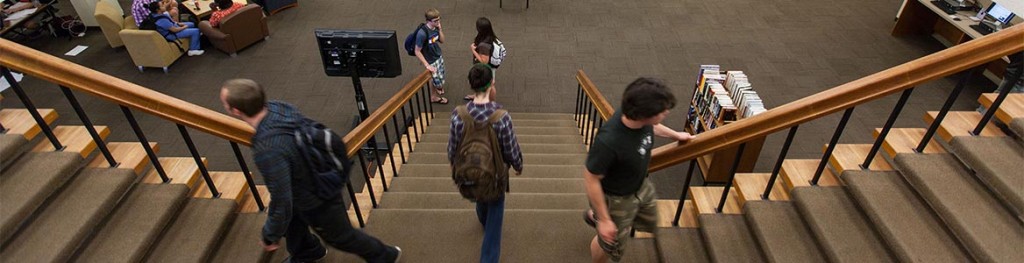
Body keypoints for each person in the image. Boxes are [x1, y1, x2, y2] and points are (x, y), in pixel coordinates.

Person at [219, 79, 402, 263]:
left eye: (225, 103)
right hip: (309, 177)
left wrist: (270, 235)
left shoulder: (268, 149)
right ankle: (308, 252)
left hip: (318, 197)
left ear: (235, 110)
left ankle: (386, 255)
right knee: (293, 222)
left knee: (342, 237)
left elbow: (282, 198)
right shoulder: (278, 108)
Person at [582, 78, 694, 263]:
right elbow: (590, 178)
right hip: (617, 198)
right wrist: (605, 220)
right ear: (644, 115)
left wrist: (676, 135)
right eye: (662, 111)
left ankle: (595, 215)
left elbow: (654, 126)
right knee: (610, 243)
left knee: (650, 220)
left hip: (640, 186)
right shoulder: (609, 142)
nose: (666, 112)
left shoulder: (640, 120)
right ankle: (599, 220)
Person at [447, 64, 523, 263]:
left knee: (480, 194)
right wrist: (517, 165)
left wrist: (454, 167)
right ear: (492, 84)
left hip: (470, 173)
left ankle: (482, 215)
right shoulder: (501, 117)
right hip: (495, 175)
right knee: (495, 218)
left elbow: (452, 148)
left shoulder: (458, 115)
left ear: (471, 86)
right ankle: (488, 258)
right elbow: (510, 149)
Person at [414, 8, 447, 104]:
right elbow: (417, 51)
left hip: (438, 55)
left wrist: (440, 29)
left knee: (440, 76)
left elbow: (442, 40)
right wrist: (427, 65)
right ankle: (433, 97)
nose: (438, 22)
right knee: (433, 78)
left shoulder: (436, 28)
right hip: (430, 60)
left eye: (439, 19)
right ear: (428, 21)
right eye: (435, 21)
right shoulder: (422, 33)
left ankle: (438, 87)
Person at [465, 17, 503, 101]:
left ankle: (491, 103)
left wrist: (473, 51)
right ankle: (477, 95)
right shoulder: (490, 36)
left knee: (491, 85)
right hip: (489, 65)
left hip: (487, 67)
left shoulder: (484, 45)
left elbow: (484, 61)